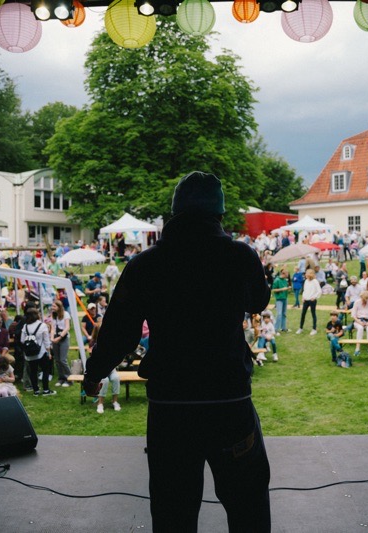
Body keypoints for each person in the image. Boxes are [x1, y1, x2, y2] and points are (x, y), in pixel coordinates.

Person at [81, 171, 271, 532]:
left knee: (173, 514)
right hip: (228, 401)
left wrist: (93, 376)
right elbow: (258, 301)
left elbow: (119, 331)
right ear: (219, 213)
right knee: (249, 508)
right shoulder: (238, 256)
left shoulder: (146, 264)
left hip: (172, 407)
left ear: (174, 214)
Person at [21, 307, 56, 396]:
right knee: (45, 370)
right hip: (41, 352)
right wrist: (49, 352)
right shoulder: (42, 325)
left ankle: (36, 390)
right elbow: (46, 341)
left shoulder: (25, 326)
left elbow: (22, 340)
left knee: (33, 372)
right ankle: (46, 390)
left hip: (29, 354)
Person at [50, 299, 72, 388]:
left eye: (54, 306)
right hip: (55, 338)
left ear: (59, 307)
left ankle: (69, 378)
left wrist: (59, 337)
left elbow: (67, 327)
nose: (52, 308)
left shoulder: (65, 314)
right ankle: (61, 378)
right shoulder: (53, 315)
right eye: (52, 306)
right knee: (57, 360)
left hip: (63, 338)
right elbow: (53, 328)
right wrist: (52, 338)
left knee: (63, 360)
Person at [350, 290, 368, 357]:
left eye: (365, 300)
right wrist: (359, 322)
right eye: (363, 299)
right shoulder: (357, 302)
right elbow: (353, 315)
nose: (364, 301)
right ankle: (357, 348)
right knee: (360, 328)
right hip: (358, 320)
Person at [296, 268, 322, 335]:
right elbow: (305, 290)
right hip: (306, 300)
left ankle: (314, 329)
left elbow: (319, 291)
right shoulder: (306, 281)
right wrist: (303, 297)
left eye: (307, 274)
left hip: (312, 300)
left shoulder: (315, 281)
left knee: (313, 314)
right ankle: (300, 328)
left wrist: (315, 297)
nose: (305, 275)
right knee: (303, 314)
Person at [271, 267, 290, 333]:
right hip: (279, 299)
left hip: (285, 298)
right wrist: (282, 289)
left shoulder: (285, 280)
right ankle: (275, 329)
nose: (288, 274)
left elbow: (285, 288)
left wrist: (288, 288)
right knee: (279, 314)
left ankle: (283, 328)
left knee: (284, 314)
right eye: (287, 273)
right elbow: (273, 289)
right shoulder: (277, 280)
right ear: (283, 273)